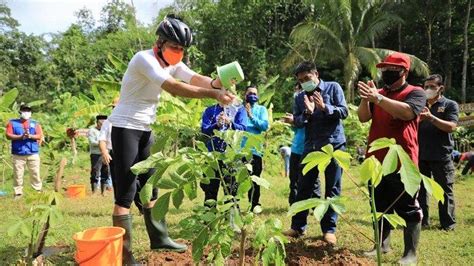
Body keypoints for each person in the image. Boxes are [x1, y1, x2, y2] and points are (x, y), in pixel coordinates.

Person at [107, 14, 234, 264]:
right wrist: (213, 94)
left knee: (151, 185)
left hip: (146, 129)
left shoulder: (171, 62)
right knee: (125, 193)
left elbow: (194, 78)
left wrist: (218, 82)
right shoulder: (144, 59)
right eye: (175, 47)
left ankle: (159, 237)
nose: (179, 52)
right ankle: (125, 255)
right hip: (125, 128)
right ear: (160, 42)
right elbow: (174, 87)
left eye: (182, 49)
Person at [357, 52, 426, 264]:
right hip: (376, 160)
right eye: (384, 70)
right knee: (379, 205)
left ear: (404, 72)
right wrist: (365, 99)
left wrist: (377, 98)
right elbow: (363, 117)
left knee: (408, 206)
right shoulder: (376, 93)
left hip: (402, 160)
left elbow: (407, 113)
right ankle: (382, 245)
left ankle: (410, 253)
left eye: (391, 70)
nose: (386, 73)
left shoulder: (416, 92)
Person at [283, 61, 348, 245]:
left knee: (332, 188)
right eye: (301, 80)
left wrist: (325, 108)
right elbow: (299, 120)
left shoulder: (333, 88)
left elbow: (343, 112)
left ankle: (329, 229)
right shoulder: (300, 97)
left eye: (307, 78)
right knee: (303, 186)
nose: (305, 82)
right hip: (310, 147)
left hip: (333, 146)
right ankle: (297, 227)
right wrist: (308, 114)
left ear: (316, 74)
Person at [418, 74, 459, 230]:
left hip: (441, 155)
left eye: (432, 87)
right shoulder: (420, 104)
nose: (428, 90)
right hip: (421, 155)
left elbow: (451, 127)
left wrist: (431, 118)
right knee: (421, 190)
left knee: (444, 189)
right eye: (426, 86)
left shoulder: (449, 105)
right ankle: (422, 221)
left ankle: (448, 224)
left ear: (440, 88)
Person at [200, 102, 247, 203]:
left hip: (231, 156)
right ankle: (208, 217)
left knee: (231, 191)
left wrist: (230, 122)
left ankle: (231, 216)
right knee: (210, 191)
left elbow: (243, 128)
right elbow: (204, 130)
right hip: (212, 156)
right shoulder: (210, 110)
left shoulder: (239, 109)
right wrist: (216, 124)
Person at [5, 103, 43, 199]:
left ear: (31, 112)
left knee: (35, 173)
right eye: (24, 110)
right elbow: (8, 135)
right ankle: (18, 193)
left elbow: (39, 135)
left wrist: (30, 136)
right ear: (20, 111)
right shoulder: (12, 123)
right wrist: (20, 137)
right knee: (18, 174)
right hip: (18, 153)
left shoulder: (35, 123)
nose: (26, 112)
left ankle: (37, 191)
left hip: (32, 153)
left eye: (28, 110)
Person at [242, 85, 269, 214]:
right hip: (240, 150)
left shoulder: (261, 109)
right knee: (237, 179)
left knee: (255, 179)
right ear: (245, 95)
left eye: (255, 93)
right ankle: (233, 205)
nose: (253, 95)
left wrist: (251, 116)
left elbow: (264, 126)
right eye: (250, 93)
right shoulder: (239, 109)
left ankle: (254, 205)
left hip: (255, 150)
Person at [99, 98, 119, 197]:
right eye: (113, 107)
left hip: (127, 152)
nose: (114, 109)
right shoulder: (108, 122)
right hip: (113, 152)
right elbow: (102, 139)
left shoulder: (130, 121)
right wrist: (104, 153)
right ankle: (118, 201)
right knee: (115, 178)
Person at [88, 115, 109, 195]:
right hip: (96, 155)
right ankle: (94, 192)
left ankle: (103, 192)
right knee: (95, 172)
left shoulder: (106, 130)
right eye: (101, 122)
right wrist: (102, 143)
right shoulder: (92, 130)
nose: (102, 124)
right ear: (97, 122)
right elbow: (92, 142)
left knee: (106, 172)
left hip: (106, 154)